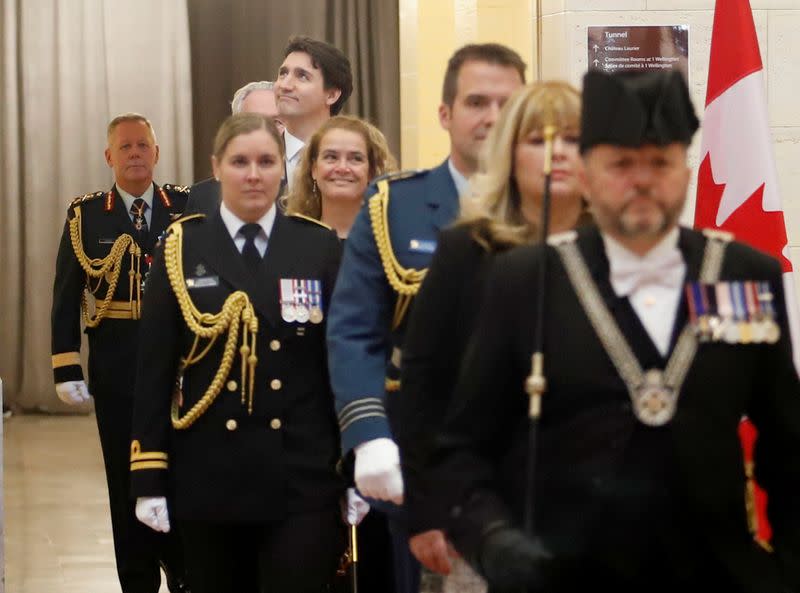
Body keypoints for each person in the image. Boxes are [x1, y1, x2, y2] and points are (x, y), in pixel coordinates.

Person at [434, 69, 800, 593]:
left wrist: (787, 571)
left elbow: (788, 446)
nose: (644, 181)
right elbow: (463, 448)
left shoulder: (743, 274)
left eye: (661, 162)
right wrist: (492, 540)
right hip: (563, 577)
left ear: (686, 169)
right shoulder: (528, 279)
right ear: (585, 172)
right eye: (622, 164)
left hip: (716, 576)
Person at [326, 43, 526, 593]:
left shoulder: (552, 208)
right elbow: (355, 329)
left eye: (506, 105)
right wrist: (369, 435)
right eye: (476, 102)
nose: (491, 117)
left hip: (529, 463)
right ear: (446, 114)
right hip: (423, 459)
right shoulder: (395, 206)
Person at [129, 113, 346, 593]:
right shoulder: (181, 246)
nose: (254, 174)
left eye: (266, 161)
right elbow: (155, 370)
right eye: (240, 161)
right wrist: (148, 473)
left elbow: (338, 366)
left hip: (300, 477)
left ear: (282, 171)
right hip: (210, 477)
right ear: (217, 167)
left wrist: (350, 466)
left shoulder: (317, 246)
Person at [397, 81, 591, 589]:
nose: (557, 154)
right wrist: (427, 511)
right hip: (480, 512)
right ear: (510, 152)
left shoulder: (616, 254)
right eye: (537, 139)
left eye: (573, 138)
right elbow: (423, 386)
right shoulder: (469, 248)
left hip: (594, 516)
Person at [50, 113, 189, 593]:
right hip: (118, 364)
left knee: (181, 470)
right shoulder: (87, 214)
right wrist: (65, 361)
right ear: (109, 157)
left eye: (143, 145)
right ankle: (137, 578)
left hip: (180, 366)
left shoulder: (185, 208)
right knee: (125, 474)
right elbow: (66, 293)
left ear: (156, 152)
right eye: (125, 147)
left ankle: (185, 571)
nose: (135, 154)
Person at [285, 115, 397, 238]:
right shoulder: (290, 240)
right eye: (331, 157)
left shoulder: (393, 243)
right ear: (314, 169)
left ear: (371, 171)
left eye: (356, 159)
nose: (342, 168)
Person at [184, 80, 283, 216]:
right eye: (253, 122)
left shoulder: (308, 187)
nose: (265, 131)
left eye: (276, 122)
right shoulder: (204, 196)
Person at [274, 36, 353, 191]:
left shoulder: (356, 162)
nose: (285, 85)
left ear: (331, 95)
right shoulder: (259, 159)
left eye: (302, 76)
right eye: (283, 74)